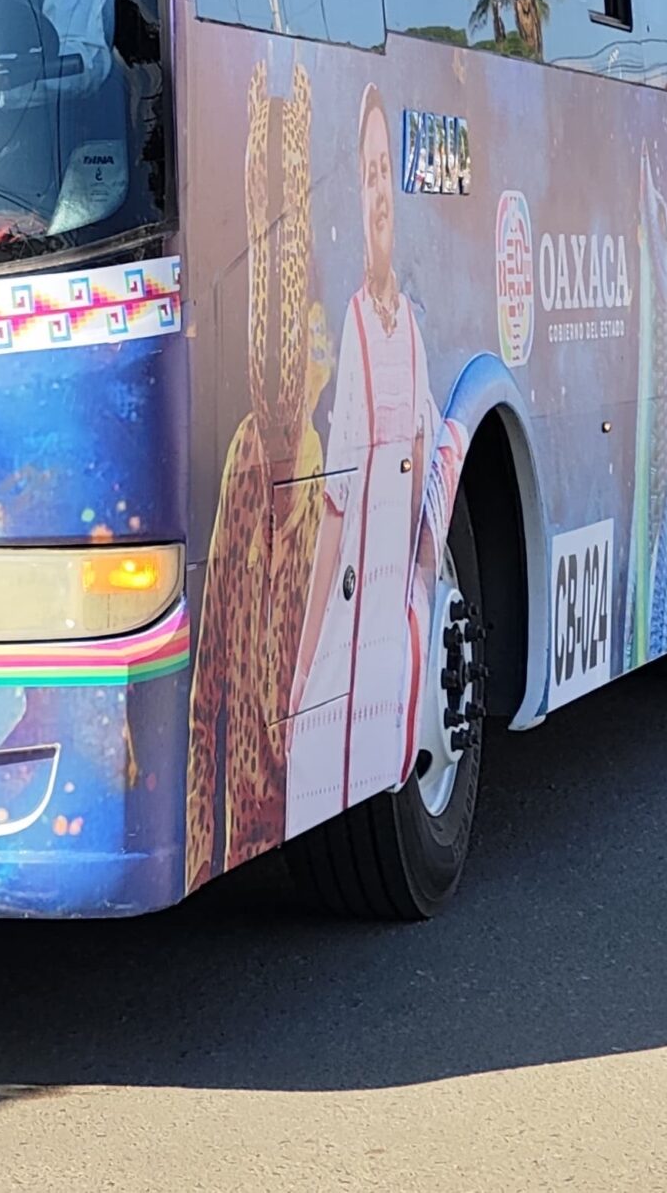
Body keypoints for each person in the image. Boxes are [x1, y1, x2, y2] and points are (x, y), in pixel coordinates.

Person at [287, 85, 444, 829]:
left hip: (395, 618)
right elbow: (333, 505)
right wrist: (304, 658)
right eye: (370, 174)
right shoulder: (355, 324)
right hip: (354, 622)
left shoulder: (409, 327)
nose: (380, 189)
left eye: (388, 171)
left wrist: (426, 588)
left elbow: (432, 456)